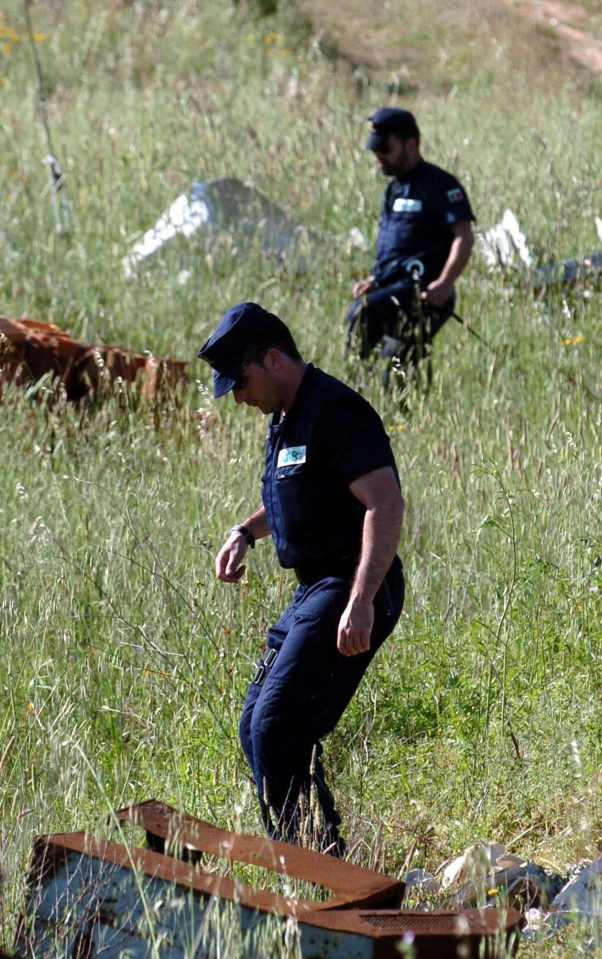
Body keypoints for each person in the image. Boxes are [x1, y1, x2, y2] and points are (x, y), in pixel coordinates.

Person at [197, 301, 405, 856]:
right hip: (313, 587)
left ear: (272, 360)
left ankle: (310, 873)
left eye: (239, 383)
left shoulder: (335, 411)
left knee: (276, 726)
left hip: (352, 582)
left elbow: (383, 503)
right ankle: (322, 855)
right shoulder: (284, 418)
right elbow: (298, 496)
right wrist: (245, 531)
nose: (238, 397)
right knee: (254, 727)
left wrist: (360, 601)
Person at [348, 107, 475, 382]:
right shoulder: (393, 189)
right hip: (392, 287)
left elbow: (464, 234)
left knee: (362, 315)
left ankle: (363, 391)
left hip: (423, 292)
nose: (379, 156)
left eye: (386, 149)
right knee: (397, 368)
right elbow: (395, 247)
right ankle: (362, 393)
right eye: (375, 150)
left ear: (411, 144)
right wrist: (375, 279)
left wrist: (446, 281)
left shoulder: (440, 185)